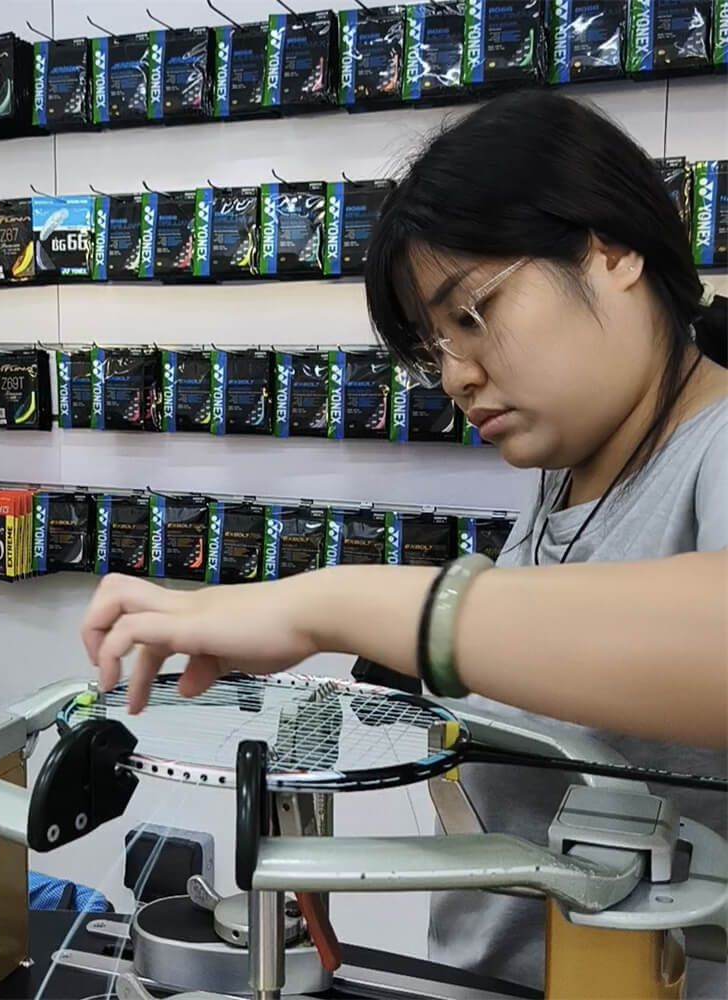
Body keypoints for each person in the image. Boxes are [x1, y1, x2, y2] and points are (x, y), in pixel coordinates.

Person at [81, 91, 728, 997]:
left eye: (472, 313)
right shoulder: (573, 469)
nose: (457, 375)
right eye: (434, 346)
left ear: (612, 249)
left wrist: (328, 602)